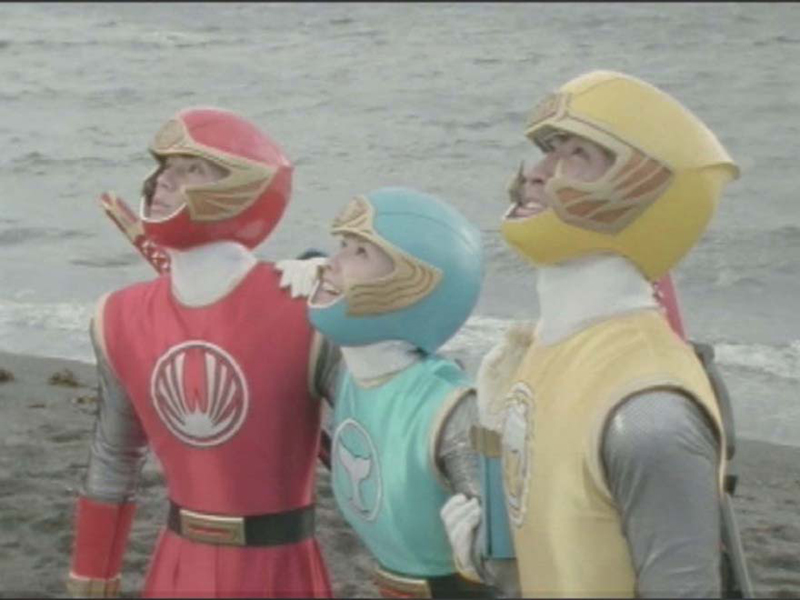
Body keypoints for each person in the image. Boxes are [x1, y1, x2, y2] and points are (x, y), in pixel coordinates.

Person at [441, 70, 746, 597]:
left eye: (576, 154)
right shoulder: (535, 353)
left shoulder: (648, 412)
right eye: (549, 151)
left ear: (648, 187)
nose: (536, 174)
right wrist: (492, 562)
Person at [66, 107, 333, 598]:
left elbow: (373, 441)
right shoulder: (119, 317)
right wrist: (91, 579)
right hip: (176, 566)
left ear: (242, 186)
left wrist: (356, 305)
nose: (164, 179)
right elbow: (114, 457)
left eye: (192, 168)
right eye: (166, 165)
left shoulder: (306, 309)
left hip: (283, 572)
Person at [302, 187, 515, 598]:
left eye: (360, 252)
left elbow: (507, 561)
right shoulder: (346, 375)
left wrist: (482, 556)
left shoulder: (452, 411)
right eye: (341, 245)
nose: (332, 262)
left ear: (416, 283)